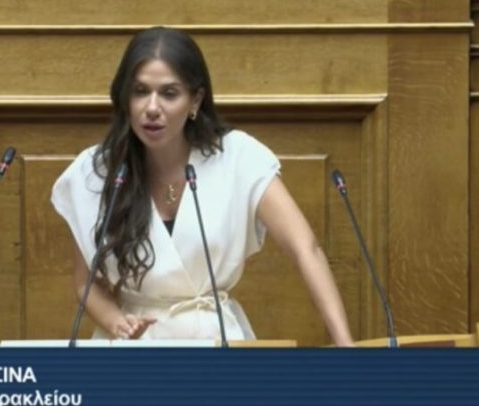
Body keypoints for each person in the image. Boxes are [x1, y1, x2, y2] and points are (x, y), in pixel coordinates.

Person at [51, 26, 354, 346]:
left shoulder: (238, 157)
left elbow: (305, 248)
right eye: (140, 91)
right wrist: (118, 322)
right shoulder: (96, 171)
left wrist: (345, 345)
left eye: (169, 93)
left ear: (195, 99)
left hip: (215, 341)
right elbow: (85, 283)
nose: (152, 107)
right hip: (133, 349)